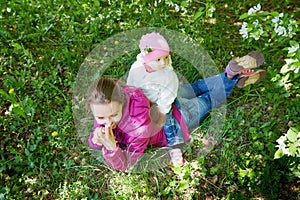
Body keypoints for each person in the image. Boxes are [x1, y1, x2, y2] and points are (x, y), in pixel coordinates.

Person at [86, 52, 266, 172]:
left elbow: (126, 164)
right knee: (198, 86)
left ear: (123, 103)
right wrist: (95, 139)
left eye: (113, 116)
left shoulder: (138, 128)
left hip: (180, 118)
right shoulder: (121, 95)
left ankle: (230, 77)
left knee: (210, 99)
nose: (107, 122)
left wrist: (111, 148)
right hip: (166, 97)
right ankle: (234, 75)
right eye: (100, 117)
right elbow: (98, 130)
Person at [126, 32, 183, 165]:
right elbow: (131, 84)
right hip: (140, 101)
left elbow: (167, 97)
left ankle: (174, 146)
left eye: (166, 57)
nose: (163, 62)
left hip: (159, 102)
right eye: (158, 59)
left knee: (169, 122)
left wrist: (161, 110)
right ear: (146, 58)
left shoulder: (167, 76)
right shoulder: (137, 68)